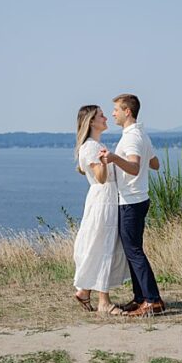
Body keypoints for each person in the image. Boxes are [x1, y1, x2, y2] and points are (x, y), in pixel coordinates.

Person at [101, 93, 165, 317]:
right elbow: (155, 164)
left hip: (131, 201)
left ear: (127, 111)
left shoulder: (131, 137)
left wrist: (114, 158)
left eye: (116, 110)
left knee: (134, 252)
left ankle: (152, 301)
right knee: (132, 251)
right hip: (138, 198)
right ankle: (141, 299)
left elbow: (135, 167)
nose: (113, 114)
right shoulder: (140, 135)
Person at [72, 105, 131, 315]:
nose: (106, 117)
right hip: (103, 200)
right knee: (104, 246)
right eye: (101, 115)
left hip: (105, 198)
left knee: (100, 244)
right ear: (91, 122)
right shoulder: (90, 148)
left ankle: (84, 291)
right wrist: (105, 161)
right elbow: (101, 177)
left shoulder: (96, 145)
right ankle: (103, 302)